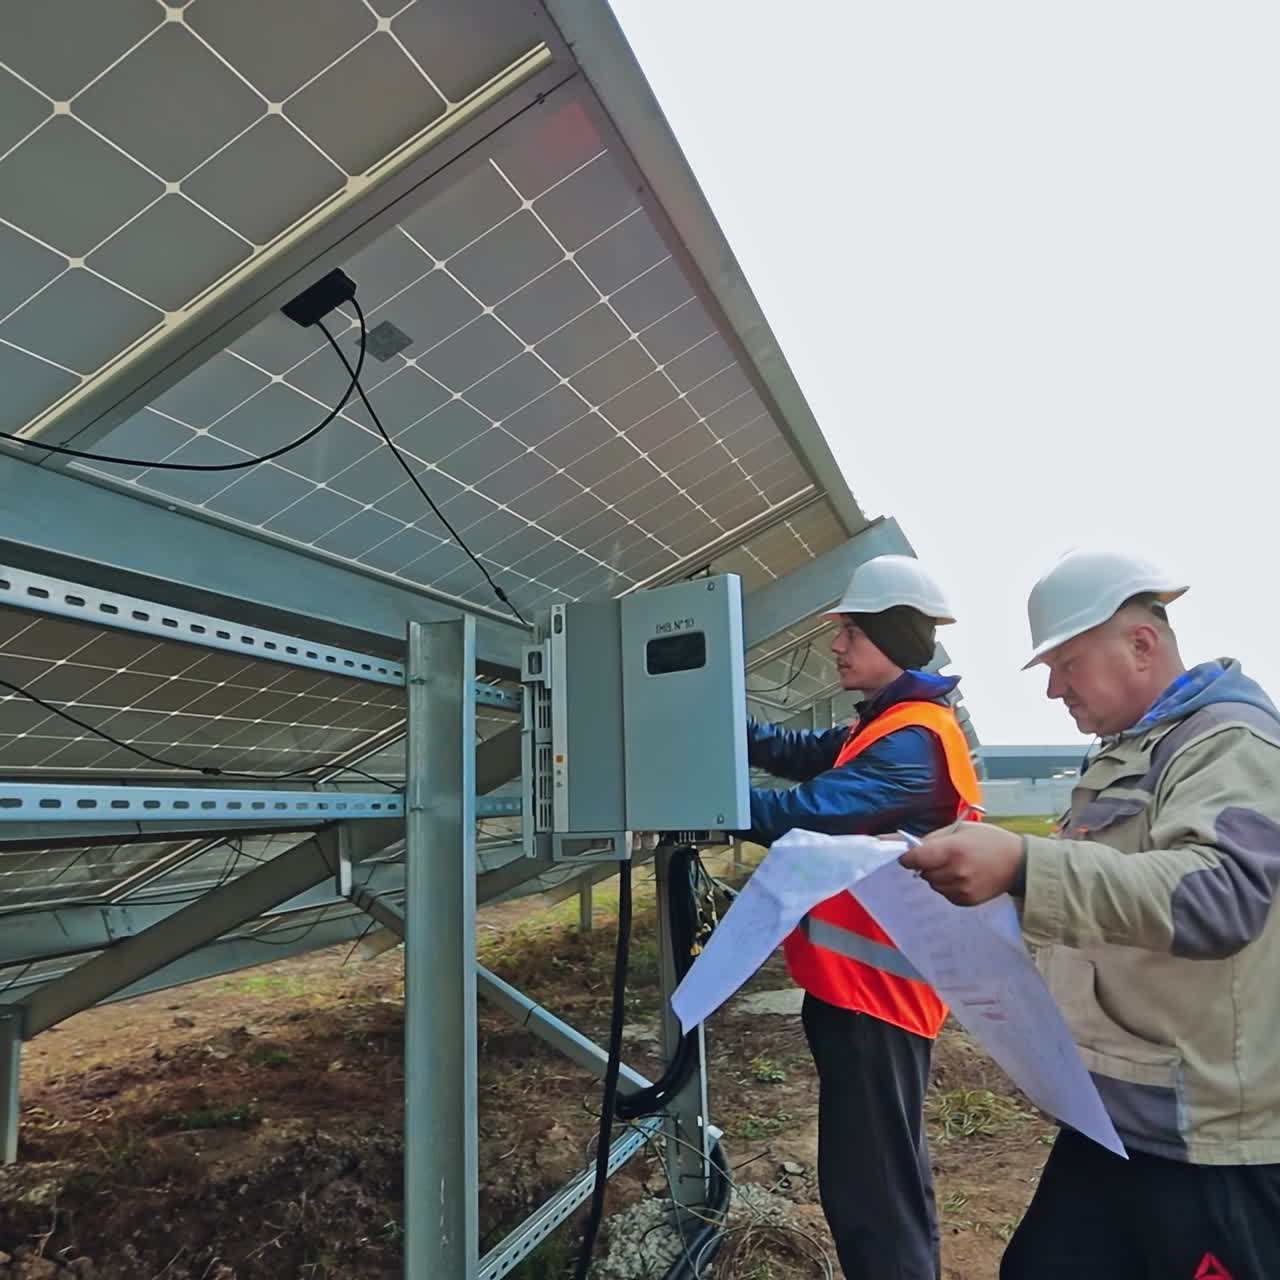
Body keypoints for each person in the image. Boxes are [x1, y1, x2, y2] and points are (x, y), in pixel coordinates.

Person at [903, 548, 1280, 1280]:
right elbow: (1104, 904)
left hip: (1204, 1140)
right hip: (1111, 1115)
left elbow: (1220, 896)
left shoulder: (1229, 744)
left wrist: (1022, 866)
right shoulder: (1123, 754)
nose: (1053, 690)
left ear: (1141, 644)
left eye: (1066, 664)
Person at [745, 553, 982, 1280]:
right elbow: (793, 753)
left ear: (892, 636)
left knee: (873, 1190)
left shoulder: (913, 741)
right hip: (858, 989)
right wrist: (708, 719)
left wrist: (694, 800)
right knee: (880, 1177)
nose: (836, 646)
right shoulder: (885, 725)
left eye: (850, 631)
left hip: (880, 998)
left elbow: (806, 813)